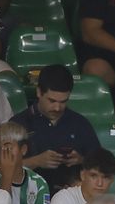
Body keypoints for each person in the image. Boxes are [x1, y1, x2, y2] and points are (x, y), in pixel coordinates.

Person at [10, 64, 101, 193]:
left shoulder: (80, 123)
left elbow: (101, 164)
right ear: (39, 92)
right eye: (52, 101)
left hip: (72, 197)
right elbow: (2, 169)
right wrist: (36, 161)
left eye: (63, 102)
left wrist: (81, 160)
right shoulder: (18, 124)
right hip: (27, 197)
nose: (57, 108)